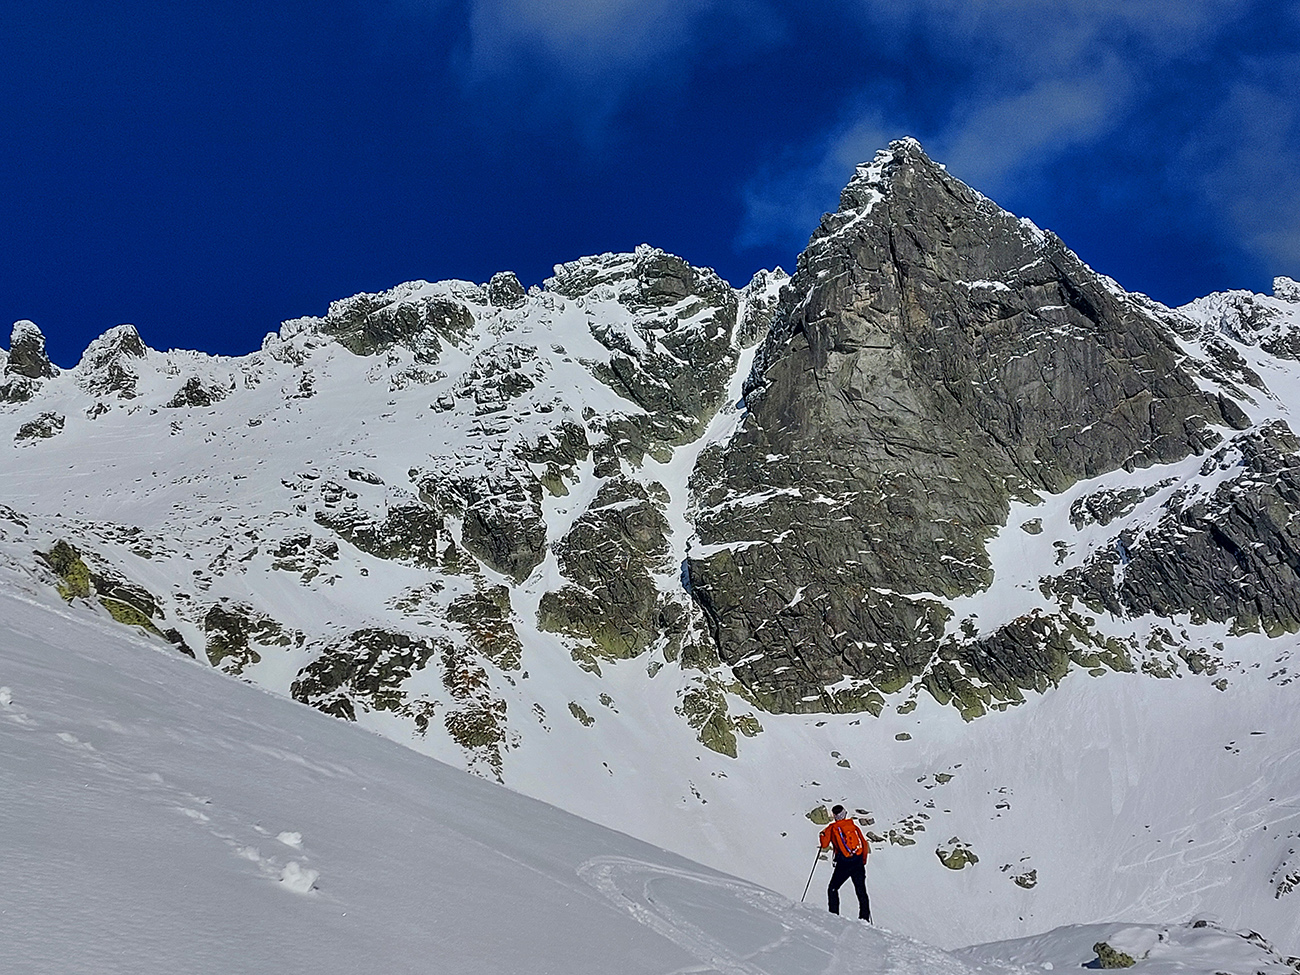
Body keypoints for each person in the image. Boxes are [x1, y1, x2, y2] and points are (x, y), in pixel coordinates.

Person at [819, 804, 871, 922]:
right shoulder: (853, 826)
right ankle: (864, 918)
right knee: (861, 890)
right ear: (845, 814)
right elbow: (864, 843)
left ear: (834, 816)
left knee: (833, 888)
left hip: (844, 863)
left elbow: (824, 845)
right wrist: (862, 861)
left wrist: (822, 835)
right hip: (857, 861)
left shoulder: (832, 828)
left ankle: (834, 916)